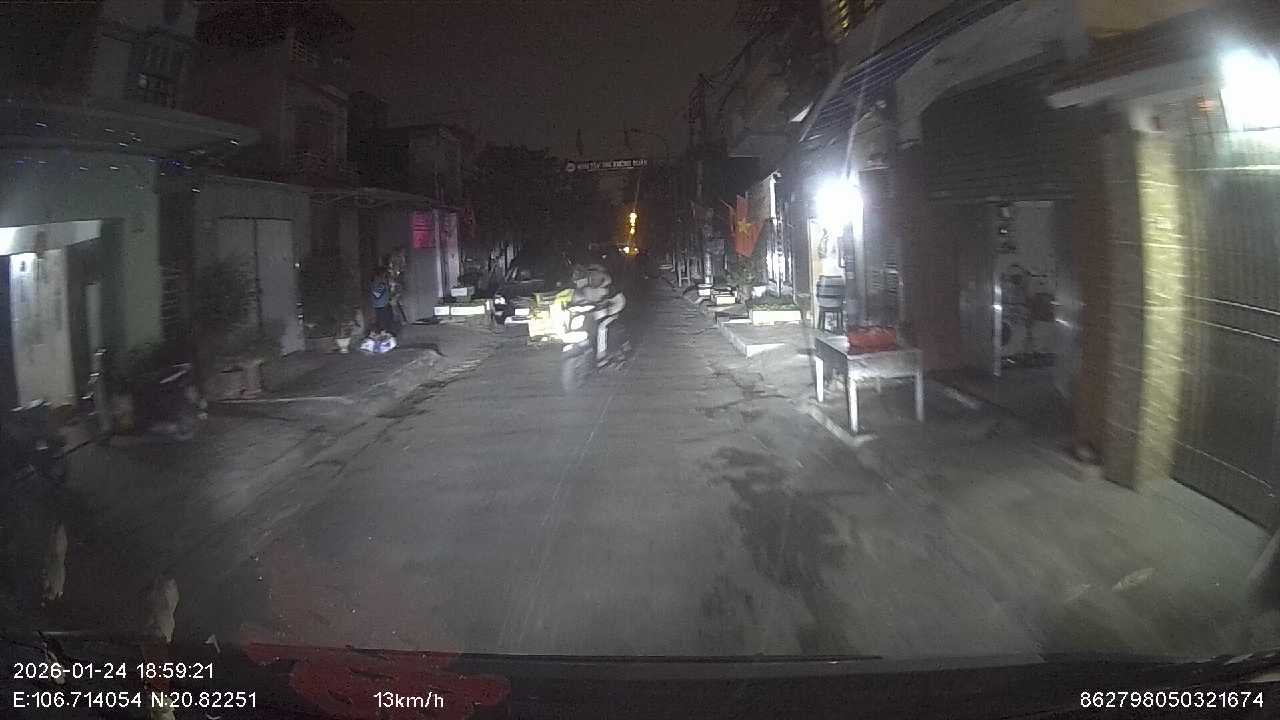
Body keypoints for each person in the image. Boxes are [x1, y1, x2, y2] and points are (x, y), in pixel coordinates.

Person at [370, 267, 397, 336]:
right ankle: (384, 333)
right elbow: (377, 293)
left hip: (382, 303)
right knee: (383, 319)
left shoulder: (381, 280)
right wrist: (384, 285)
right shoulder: (378, 281)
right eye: (385, 273)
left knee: (385, 318)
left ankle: (386, 332)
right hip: (381, 304)